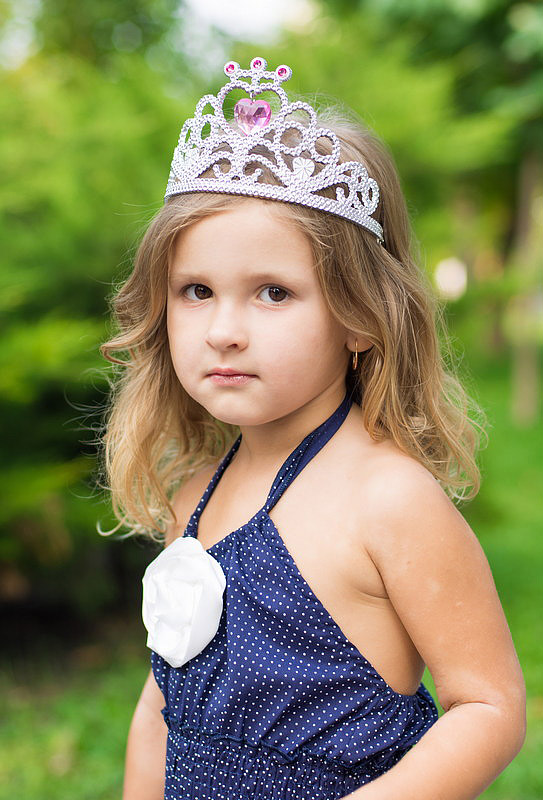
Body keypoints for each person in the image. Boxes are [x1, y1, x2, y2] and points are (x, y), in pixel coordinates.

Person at [99, 57, 526, 800]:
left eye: (273, 293)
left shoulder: (386, 499)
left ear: (359, 316)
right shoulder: (196, 495)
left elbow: (488, 707)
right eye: (196, 291)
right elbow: (161, 708)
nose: (224, 330)